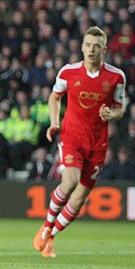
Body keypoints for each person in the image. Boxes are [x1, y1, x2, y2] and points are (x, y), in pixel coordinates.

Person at [33, 26, 126, 258]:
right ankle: (46, 225)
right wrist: (54, 122)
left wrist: (111, 114)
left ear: (104, 49)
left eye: (97, 46)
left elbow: (120, 108)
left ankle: (51, 236)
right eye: (88, 45)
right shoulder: (68, 72)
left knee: (80, 198)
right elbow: (54, 97)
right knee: (70, 181)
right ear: (82, 48)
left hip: (98, 143)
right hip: (72, 136)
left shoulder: (116, 77)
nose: (92, 50)